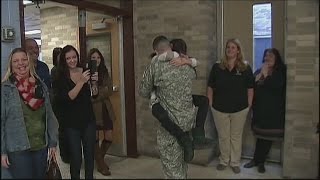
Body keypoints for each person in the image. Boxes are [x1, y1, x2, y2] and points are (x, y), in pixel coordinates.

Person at [139, 35, 197, 179]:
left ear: (156, 50)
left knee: (172, 169)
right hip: (187, 122)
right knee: (182, 166)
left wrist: (155, 91)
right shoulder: (186, 63)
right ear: (170, 47)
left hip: (169, 126)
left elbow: (143, 91)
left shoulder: (155, 65)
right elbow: (193, 75)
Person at [1, 48, 58, 178]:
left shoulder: (40, 85)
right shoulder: (5, 89)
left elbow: (49, 116)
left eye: (24, 59)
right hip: (17, 149)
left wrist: (53, 142)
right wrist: (2, 152)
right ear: (11, 65)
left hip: (40, 146)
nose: (20, 63)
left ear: (29, 62)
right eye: (16, 61)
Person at [207, 38, 254, 174]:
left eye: (233, 47)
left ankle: (234, 162)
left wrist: (249, 104)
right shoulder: (217, 67)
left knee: (235, 136)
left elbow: (250, 88)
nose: (230, 49)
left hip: (240, 109)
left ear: (238, 50)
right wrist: (210, 103)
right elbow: (210, 86)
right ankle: (223, 160)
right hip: (219, 108)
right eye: (228, 47)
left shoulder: (245, 67)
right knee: (223, 136)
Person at [52, 45, 98, 179]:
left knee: (90, 156)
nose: (72, 60)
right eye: (68, 58)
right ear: (63, 60)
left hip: (88, 119)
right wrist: (81, 82)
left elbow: (94, 94)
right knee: (76, 158)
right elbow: (69, 97)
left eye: (74, 57)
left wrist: (94, 83)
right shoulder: (60, 76)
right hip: (71, 122)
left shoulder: (85, 71)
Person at [243, 48, 286, 173]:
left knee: (267, 138)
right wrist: (258, 77)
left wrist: (266, 75)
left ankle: (261, 162)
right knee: (260, 137)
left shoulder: (280, 71)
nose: (268, 58)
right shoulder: (259, 70)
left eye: (271, 55)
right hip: (260, 111)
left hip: (273, 112)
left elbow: (276, 86)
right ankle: (255, 160)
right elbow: (252, 86)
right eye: (266, 55)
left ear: (276, 57)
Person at [87, 48, 115, 176]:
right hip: (93, 110)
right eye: (93, 58)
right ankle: (101, 164)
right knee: (95, 137)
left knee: (109, 136)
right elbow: (89, 94)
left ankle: (99, 159)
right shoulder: (87, 73)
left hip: (105, 108)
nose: (96, 60)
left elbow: (109, 90)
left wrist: (98, 93)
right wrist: (97, 90)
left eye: (98, 58)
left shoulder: (104, 72)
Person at [50, 47, 70, 164]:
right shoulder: (55, 70)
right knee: (62, 130)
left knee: (68, 130)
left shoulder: (67, 69)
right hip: (58, 103)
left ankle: (70, 153)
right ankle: (64, 154)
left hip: (68, 104)